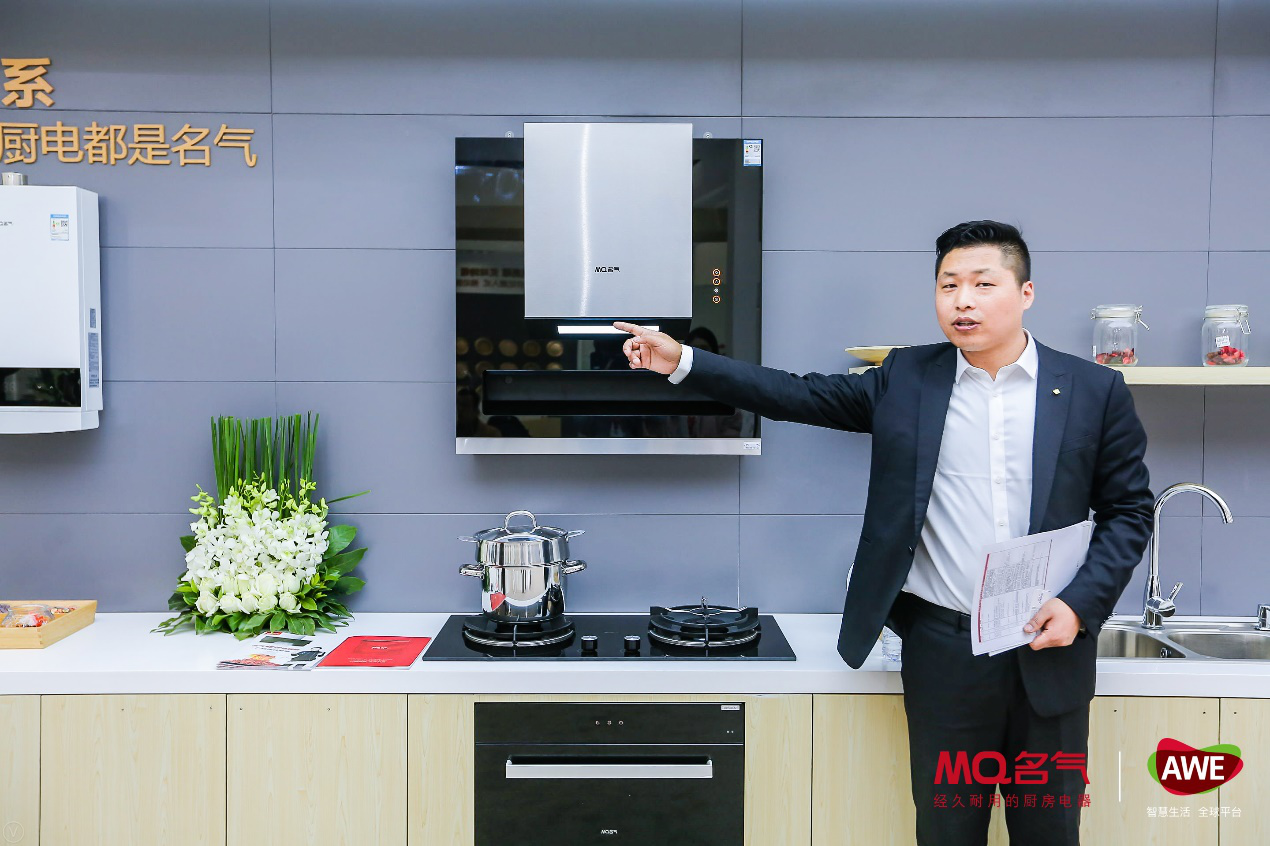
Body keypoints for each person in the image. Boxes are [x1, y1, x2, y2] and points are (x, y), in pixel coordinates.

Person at [615, 220, 1153, 845]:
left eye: (983, 284)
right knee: (946, 832)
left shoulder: (1093, 389)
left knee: (1050, 832)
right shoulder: (908, 377)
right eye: (948, 285)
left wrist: (1080, 606)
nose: (963, 300)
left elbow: (1129, 511)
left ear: (1025, 292)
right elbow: (797, 395)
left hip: (1049, 646)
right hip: (946, 652)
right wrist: (683, 361)